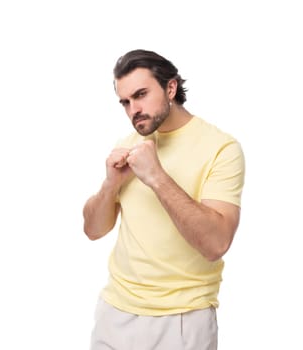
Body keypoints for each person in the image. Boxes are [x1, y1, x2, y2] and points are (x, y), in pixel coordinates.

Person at [82, 49, 245, 350]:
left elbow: (216, 243)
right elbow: (93, 230)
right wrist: (110, 186)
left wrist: (156, 176)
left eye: (141, 95)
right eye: (126, 102)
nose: (134, 109)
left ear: (170, 88)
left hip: (181, 319)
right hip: (115, 311)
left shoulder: (222, 148)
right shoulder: (128, 145)